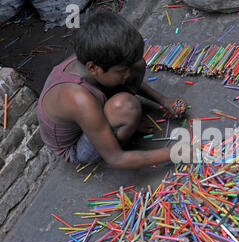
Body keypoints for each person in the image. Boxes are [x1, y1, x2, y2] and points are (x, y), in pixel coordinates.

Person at [37, 10, 188, 169]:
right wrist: (175, 152)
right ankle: (115, 136)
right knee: (126, 106)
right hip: (76, 147)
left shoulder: (93, 54)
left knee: (137, 63)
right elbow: (116, 158)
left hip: (92, 111)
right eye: (122, 71)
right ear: (93, 68)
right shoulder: (78, 99)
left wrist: (164, 101)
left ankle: (119, 122)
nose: (128, 75)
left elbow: (127, 70)